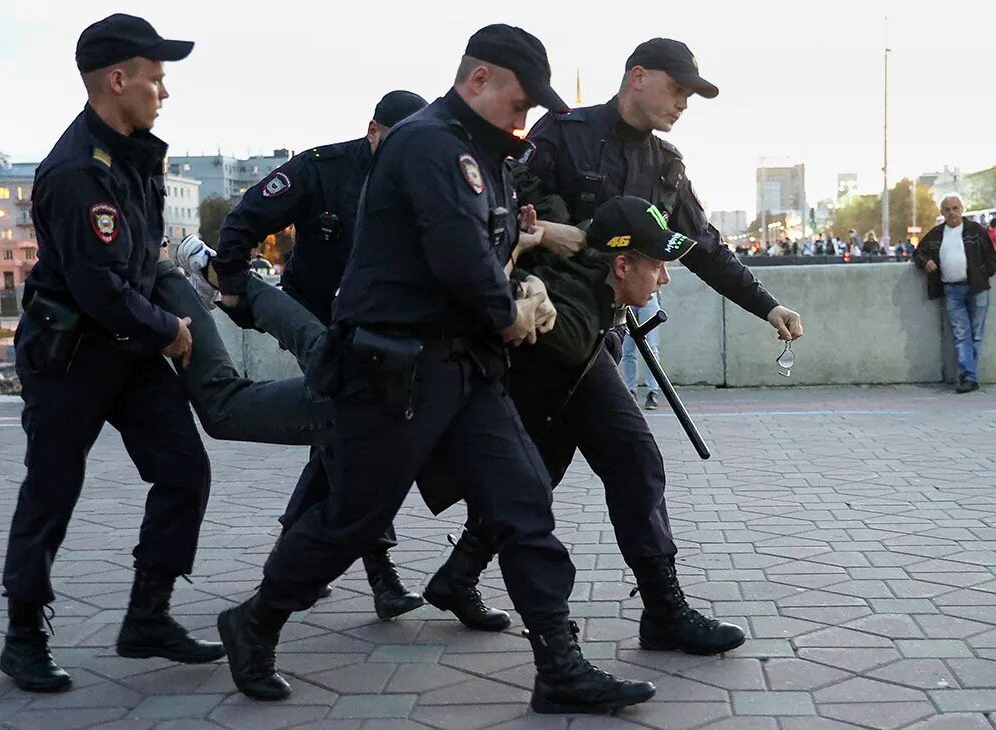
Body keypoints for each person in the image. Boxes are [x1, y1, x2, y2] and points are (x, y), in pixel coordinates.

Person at [213, 24, 656, 714]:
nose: (524, 118)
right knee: (350, 520)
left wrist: (520, 261)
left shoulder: (479, 153)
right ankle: (256, 621)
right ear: (477, 79)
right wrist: (510, 309)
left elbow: (492, 240)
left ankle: (559, 666)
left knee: (523, 501)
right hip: (395, 370)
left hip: (462, 367)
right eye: (517, 102)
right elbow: (458, 253)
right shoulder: (430, 142)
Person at [434, 36, 803, 658]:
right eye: (678, 88)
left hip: (593, 337)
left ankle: (458, 576)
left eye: (692, 94)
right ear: (638, 77)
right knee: (633, 460)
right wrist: (546, 250)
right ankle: (661, 613)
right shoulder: (563, 133)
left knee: (538, 472)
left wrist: (766, 305)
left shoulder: (665, 164)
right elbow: (504, 211)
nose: (684, 102)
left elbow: (700, 246)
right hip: (540, 329)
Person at [0, 14, 223, 693]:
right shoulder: (75, 172)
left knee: (185, 472)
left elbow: (140, 259)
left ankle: (147, 615)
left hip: (126, 349)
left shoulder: (133, 154)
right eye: (155, 79)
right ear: (116, 80)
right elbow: (98, 286)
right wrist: (170, 330)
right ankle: (22, 634)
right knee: (52, 493)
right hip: (69, 353)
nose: (164, 92)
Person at [200, 89, 430, 621]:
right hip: (317, 322)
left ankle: (293, 559)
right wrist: (234, 288)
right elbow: (244, 219)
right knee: (356, 434)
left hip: (378, 327)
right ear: (374, 132)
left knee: (342, 434)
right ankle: (379, 575)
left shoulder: (422, 176)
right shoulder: (320, 169)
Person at [913, 193, 996, 393]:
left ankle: (969, 376)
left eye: (955, 208)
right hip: (952, 290)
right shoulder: (936, 234)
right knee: (961, 335)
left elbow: (992, 258)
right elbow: (917, 252)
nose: (952, 213)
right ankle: (969, 377)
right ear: (942, 212)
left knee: (976, 334)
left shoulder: (976, 231)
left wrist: (982, 274)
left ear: (962, 209)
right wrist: (926, 262)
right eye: (947, 209)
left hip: (977, 288)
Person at [620, 292, 662, 409]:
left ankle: (652, 391)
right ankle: (630, 390)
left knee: (651, 347)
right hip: (627, 299)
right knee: (627, 349)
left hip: (648, 296)